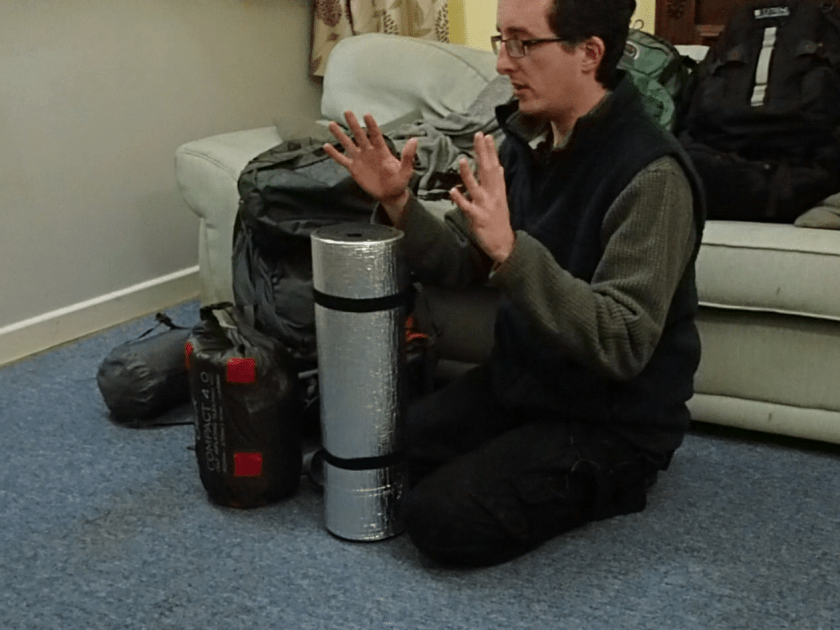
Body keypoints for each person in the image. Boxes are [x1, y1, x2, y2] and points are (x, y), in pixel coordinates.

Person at [324, 0, 705, 567]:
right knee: (373, 452)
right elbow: (460, 262)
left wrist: (512, 251)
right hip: (523, 385)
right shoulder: (528, 142)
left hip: (610, 421)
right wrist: (399, 202)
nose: (504, 63)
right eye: (502, 41)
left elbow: (623, 341)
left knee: (438, 519)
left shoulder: (653, 176)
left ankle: (618, 478)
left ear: (589, 54)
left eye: (523, 43)